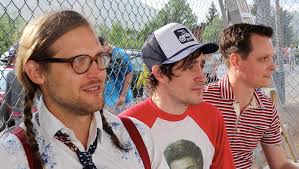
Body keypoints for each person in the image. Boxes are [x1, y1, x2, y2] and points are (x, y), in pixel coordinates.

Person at [0, 10, 167, 169]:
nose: (98, 73)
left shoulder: (138, 138)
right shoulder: (13, 158)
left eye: (100, 58)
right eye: (79, 60)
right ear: (36, 72)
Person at [120, 22, 235, 169]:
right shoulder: (127, 128)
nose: (203, 77)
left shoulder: (212, 117)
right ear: (160, 73)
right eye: (190, 67)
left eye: (201, 65)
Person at [203, 23, 299, 169]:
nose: (273, 66)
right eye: (263, 59)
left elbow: (280, 164)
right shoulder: (202, 101)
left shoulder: (266, 108)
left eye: (272, 58)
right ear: (236, 61)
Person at [98, 36, 133, 114]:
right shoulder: (103, 56)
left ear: (106, 44)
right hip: (108, 100)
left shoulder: (120, 54)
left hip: (122, 100)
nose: (101, 54)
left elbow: (129, 74)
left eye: (101, 50)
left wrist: (123, 95)